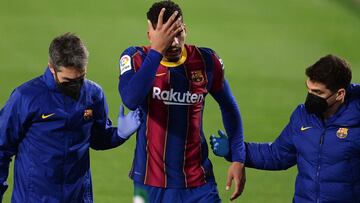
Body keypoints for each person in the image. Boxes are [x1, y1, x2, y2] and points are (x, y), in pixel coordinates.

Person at [118, 1, 246, 202]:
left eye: (178, 33)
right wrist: (156, 51)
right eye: (167, 37)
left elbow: (229, 107)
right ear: (150, 35)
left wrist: (238, 157)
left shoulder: (206, 61)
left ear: (185, 29)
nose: (175, 42)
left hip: (199, 183)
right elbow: (131, 100)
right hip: (149, 184)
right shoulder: (135, 58)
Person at [0, 33, 141, 202]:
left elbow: (97, 139)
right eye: (67, 80)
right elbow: (2, 147)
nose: (75, 86)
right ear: (52, 67)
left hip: (78, 197)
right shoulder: (26, 97)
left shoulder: (93, 94)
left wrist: (118, 134)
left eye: (80, 79)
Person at [210, 54, 360, 202]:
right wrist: (236, 150)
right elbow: (277, 155)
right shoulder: (303, 116)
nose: (310, 97)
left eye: (318, 92)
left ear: (340, 94)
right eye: (309, 89)